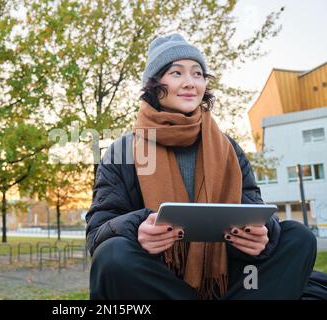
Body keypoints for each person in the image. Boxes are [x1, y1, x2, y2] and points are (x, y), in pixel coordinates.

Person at [85, 33, 317, 300]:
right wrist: (137, 229)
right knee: (111, 255)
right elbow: (98, 231)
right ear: (154, 85)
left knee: (298, 237)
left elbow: (253, 208)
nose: (190, 83)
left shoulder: (228, 148)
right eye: (176, 73)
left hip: (229, 274)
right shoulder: (122, 150)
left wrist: (260, 238)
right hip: (155, 274)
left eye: (198, 74)